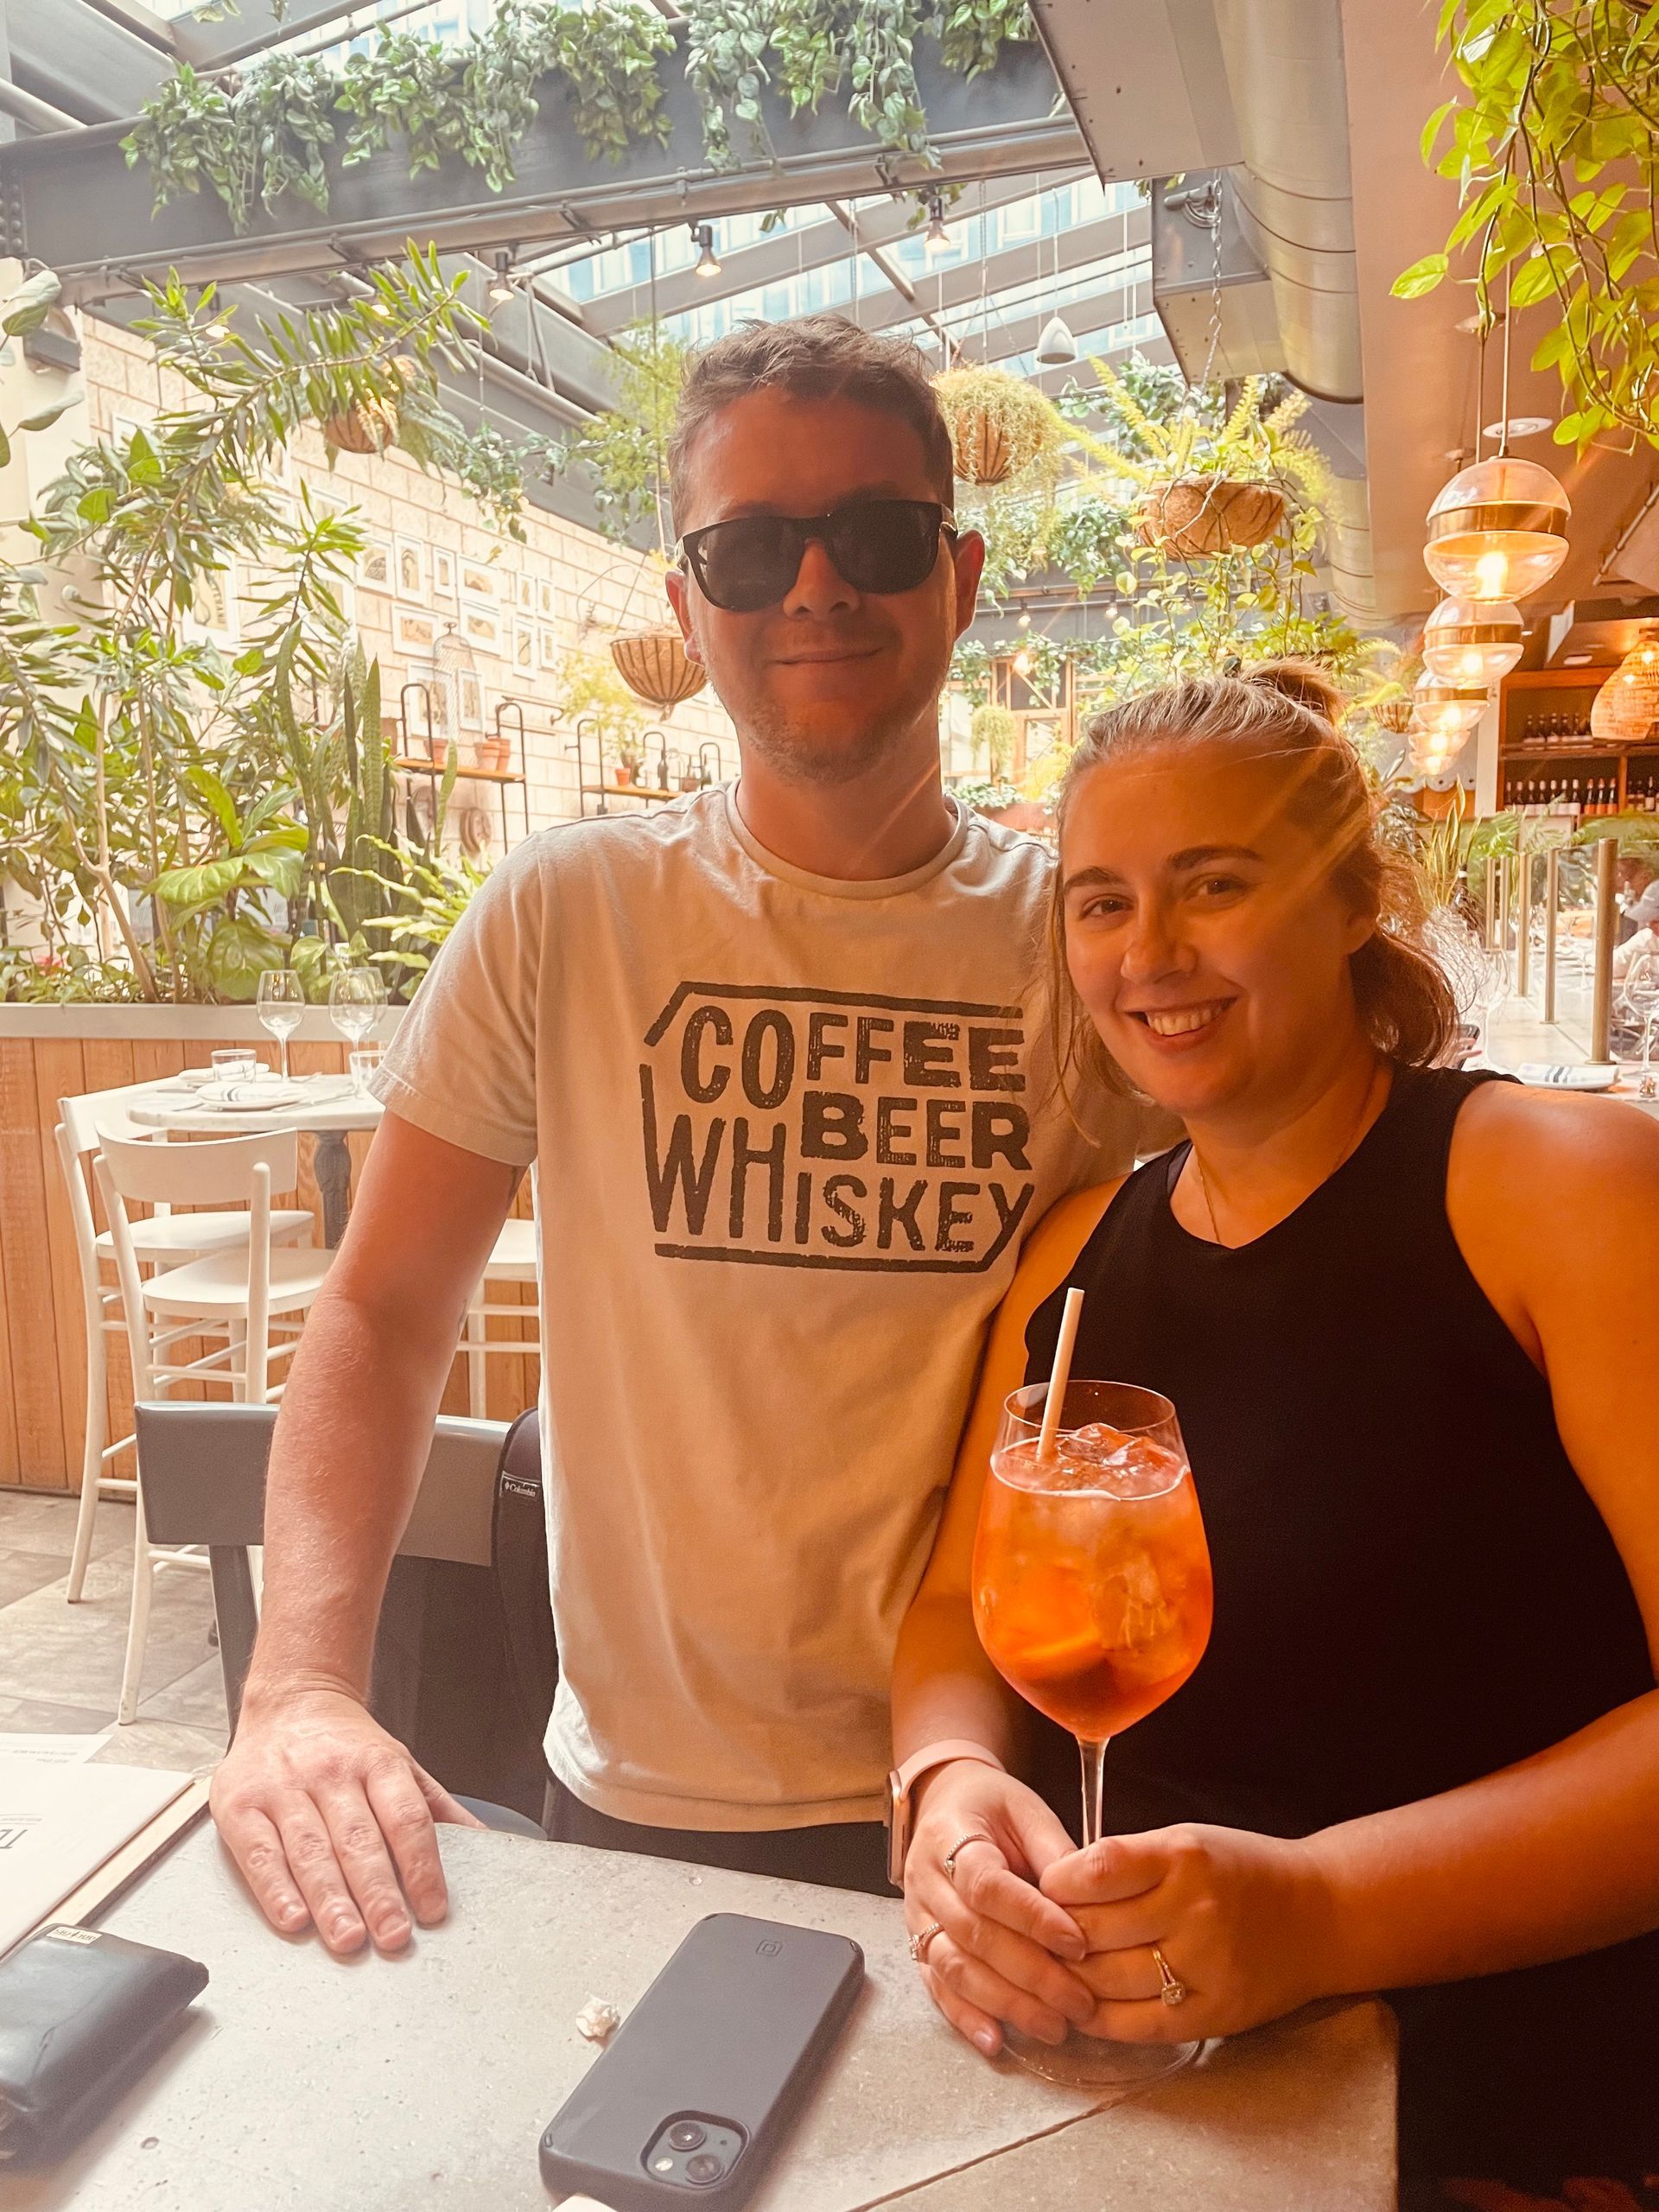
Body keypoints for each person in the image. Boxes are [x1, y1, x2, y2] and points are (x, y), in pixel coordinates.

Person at [207, 313, 1167, 1956]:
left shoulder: (1082, 947)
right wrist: (296, 1687)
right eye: (748, 548)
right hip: (640, 1792)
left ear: (963, 571)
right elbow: (380, 1311)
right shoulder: (567, 912)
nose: (813, 589)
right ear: (685, 601)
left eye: (873, 535)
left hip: (985, 1786)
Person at [891, 664, 1659, 2192]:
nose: (1149, 954)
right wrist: (947, 1794)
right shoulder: (1072, 1263)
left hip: (1505, 2119)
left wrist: (1319, 1912)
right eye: (1101, 904)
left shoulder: (1556, 1192)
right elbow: (950, 1614)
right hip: (1137, 2114)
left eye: (1214, 886)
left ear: (1355, 897)